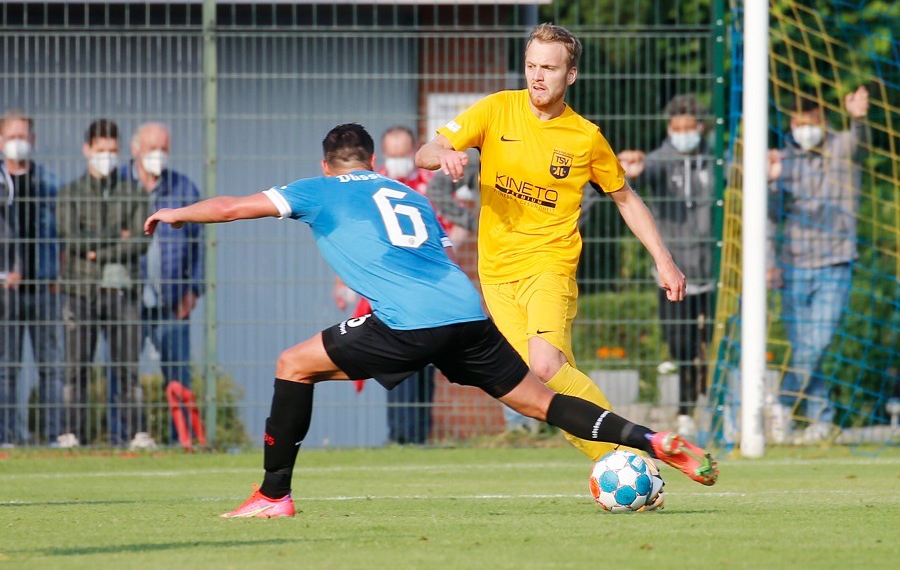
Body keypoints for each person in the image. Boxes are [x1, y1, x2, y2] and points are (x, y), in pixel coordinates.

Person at [144, 123, 717, 518]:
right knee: (538, 400)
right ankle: (648, 438)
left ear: (327, 164)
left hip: (408, 322)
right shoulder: (404, 192)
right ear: (370, 161)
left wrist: (175, 214)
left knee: (292, 365)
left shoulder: (316, 189)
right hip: (466, 310)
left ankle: (273, 495)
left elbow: (231, 208)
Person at [415, 24, 687, 461]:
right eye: (531, 66)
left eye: (549, 67)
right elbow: (426, 150)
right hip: (497, 273)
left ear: (571, 75)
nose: (537, 76)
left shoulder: (585, 137)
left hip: (549, 265)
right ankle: (618, 457)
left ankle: (631, 450)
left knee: (544, 366)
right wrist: (444, 154)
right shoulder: (496, 109)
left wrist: (664, 260)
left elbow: (625, 197)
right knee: (543, 380)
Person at [766, 86, 870, 444]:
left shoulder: (841, 147)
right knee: (806, 346)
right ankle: (820, 419)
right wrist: (768, 180)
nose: (803, 129)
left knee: (818, 342)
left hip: (835, 261)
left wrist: (858, 119)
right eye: (797, 123)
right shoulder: (784, 161)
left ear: (823, 123)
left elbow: (860, 142)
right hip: (793, 265)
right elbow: (769, 217)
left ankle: (781, 403)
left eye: (809, 122)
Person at [617, 95, 716, 440]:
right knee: (680, 344)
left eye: (690, 128)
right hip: (674, 272)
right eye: (677, 129)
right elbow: (642, 178)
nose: (683, 134)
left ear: (700, 127)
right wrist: (635, 171)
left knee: (713, 343)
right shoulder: (659, 160)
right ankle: (687, 407)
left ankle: (706, 406)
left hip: (714, 271)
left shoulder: (717, 160)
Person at [332, 126, 436, 445]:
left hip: (425, 284)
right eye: (392, 153)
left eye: (403, 152)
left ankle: (419, 435)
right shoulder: (375, 185)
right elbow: (351, 233)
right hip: (387, 284)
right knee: (396, 356)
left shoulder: (429, 184)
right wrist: (343, 282)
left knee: (426, 359)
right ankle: (399, 435)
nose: (397, 159)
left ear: (414, 150)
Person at [56, 119, 155, 449]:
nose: (107, 156)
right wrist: (116, 236)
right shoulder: (70, 192)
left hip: (122, 290)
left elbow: (140, 241)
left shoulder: (134, 192)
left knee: (126, 368)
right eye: (101, 150)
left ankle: (136, 434)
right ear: (87, 150)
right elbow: (71, 239)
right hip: (79, 289)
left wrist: (97, 249)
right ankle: (71, 434)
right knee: (76, 368)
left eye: (113, 151)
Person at [122, 122, 206, 450]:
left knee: (177, 373)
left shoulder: (183, 187)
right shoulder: (118, 186)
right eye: (151, 147)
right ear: (135, 149)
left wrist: (193, 290)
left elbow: (199, 244)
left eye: (163, 148)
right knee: (125, 371)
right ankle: (125, 436)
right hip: (128, 297)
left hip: (173, 297)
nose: (158, 154)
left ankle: (181, 441)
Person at [0, 110, 65, 447]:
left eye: (23, 136)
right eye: (11, 136)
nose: (18, 143)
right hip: (7, 291)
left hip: (45, 289)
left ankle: (54, 435)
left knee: (51, 366)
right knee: (6, 366)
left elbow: (63, 236)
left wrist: (58, 274)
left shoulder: (50, 184)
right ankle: (7, 436)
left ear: (33, 140)